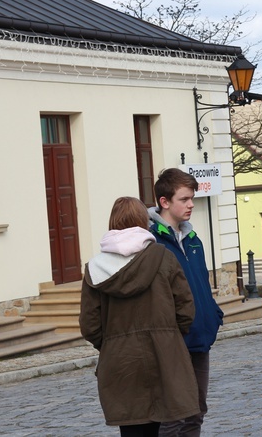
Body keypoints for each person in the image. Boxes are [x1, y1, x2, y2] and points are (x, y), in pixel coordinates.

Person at [80, 196, 200, 437]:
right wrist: (170, 337)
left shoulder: (95, 267)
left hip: (120, 360)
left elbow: (90, 325)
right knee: (163, 426)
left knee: (132, 427)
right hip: (163, 354)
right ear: (144, 222)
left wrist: (112, 344)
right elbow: (185, 308)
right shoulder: (164, 257)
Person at [147, 168, 224, 437]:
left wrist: (213, 315)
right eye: (184, 199)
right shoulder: (151, 241)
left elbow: (201, 283)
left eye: (192, 198)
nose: (191, 204)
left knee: (196, 412)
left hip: (199, 339)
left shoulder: (193, 240)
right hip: (173, 342)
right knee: (173, 417)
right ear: (164, 202)